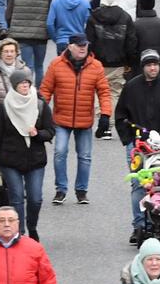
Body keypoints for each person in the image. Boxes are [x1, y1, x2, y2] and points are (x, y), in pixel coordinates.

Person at [117, 51, 160, 243]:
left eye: (155, 64)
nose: (152, 68)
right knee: (139, 183)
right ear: (143, 66)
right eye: (148, 65)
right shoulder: (131, 87)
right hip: (138, 143)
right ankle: (139, 225)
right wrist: (128, 140)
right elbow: (121, 115)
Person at [41, 35, 109, 207]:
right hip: (61, 119)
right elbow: (45, 91)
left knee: (85, 156)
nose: (82, 48)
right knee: (60, 152)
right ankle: (61, 189)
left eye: (85, 45)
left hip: (84, 120)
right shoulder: (56, 65)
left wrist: (105, 115)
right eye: (79, 45)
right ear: (69, 46)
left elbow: (104, 92)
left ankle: (81, 191)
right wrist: (39, 114)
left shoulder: (96, 66)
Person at [0, 69, 53, 240]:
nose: (25, 86)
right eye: (21, 83)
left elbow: (51, 131)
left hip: (35, 160)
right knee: (16, 198)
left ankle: (32, 226)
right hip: (10, 160)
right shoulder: (4, 108)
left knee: (35, 198)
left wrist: (37, 134)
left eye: (27, 83)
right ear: (14, 86)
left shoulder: (40, 104)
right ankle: (20, 233)